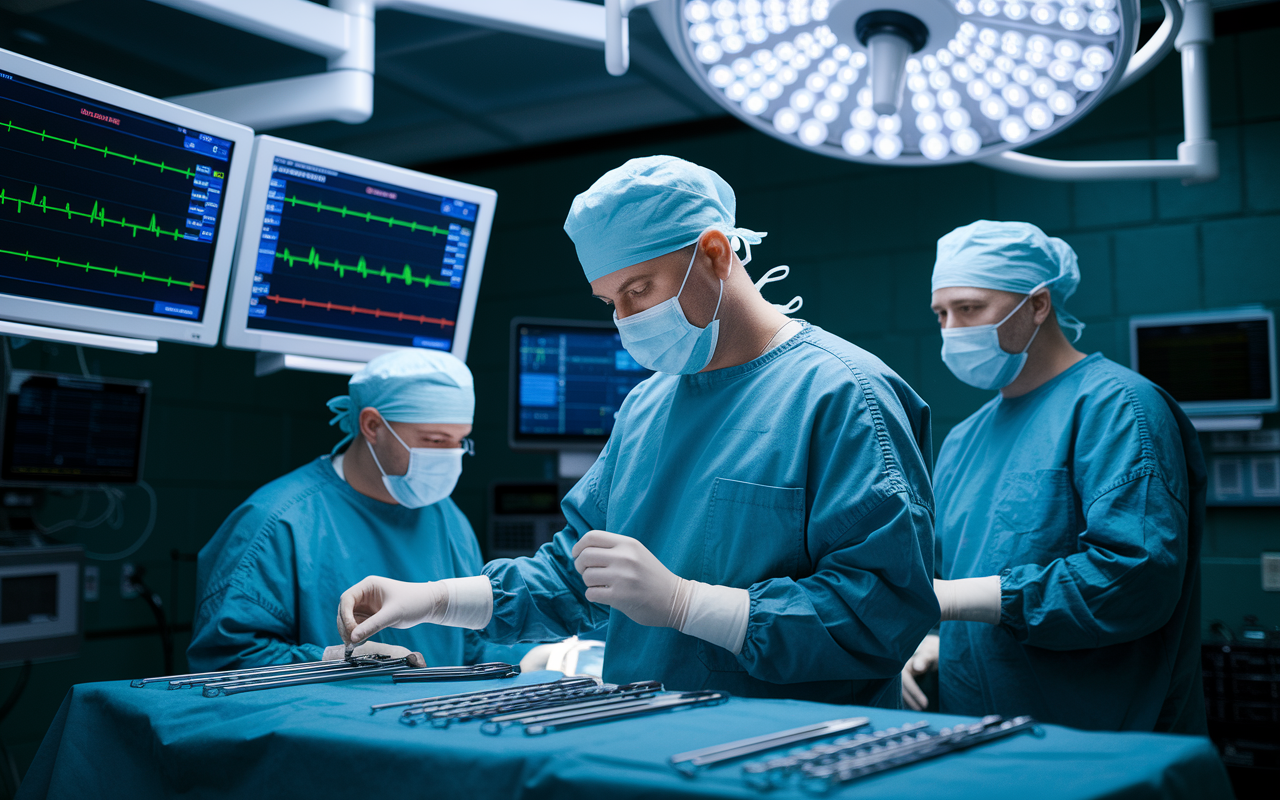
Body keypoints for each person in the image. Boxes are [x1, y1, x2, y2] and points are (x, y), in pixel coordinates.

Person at [334, 155, 940, 705]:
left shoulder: (844, 394)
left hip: (799, 754)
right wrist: (434, 600)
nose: (626, 320)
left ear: (713, 254)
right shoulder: (647, 406)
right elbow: (573, 576)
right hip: (650, 742)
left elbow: (880, 614)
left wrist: (689, 604)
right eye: (609, 302)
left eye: (639, 289)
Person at [902, 220, 1206, 733]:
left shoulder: (1119, 408)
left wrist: (968, 600)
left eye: (970, 308)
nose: (952, 329)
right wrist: (932, 635)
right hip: (975, 729)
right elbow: (946, 567)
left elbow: (1135, 577)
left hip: (1099, 734)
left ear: (1038, 304)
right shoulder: (963, 440)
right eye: (941, 313)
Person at [188, 349, 510, 671]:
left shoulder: (447, 519)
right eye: (436, 441)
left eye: (460, 442)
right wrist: (333, 663)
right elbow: (227, 661)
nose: (452, 457)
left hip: (432, 718)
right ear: (372, 425)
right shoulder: (277, 523)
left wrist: (542, 657)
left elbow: (471, 645)